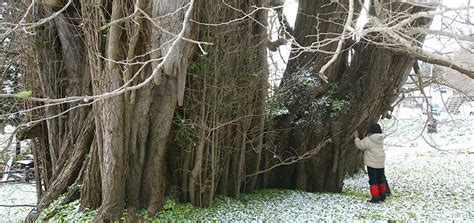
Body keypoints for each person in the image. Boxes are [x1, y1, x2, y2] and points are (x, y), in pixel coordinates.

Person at [354, 123, 388, 203]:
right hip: (380, 163)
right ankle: (382, 195)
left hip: (371, 163)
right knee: (380, 179)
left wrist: (356, 138)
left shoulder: (369, 139)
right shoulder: (380, 139)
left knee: (373, 180)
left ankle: (375, 197)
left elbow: (360, 145)